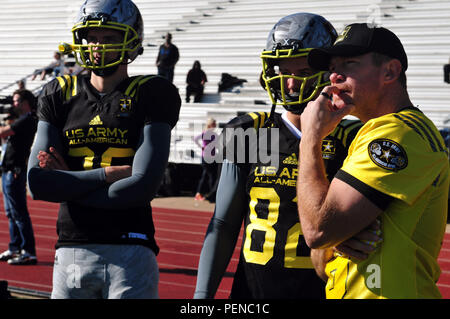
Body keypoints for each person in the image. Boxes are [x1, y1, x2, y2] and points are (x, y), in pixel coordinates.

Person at [194, 13, 366, 299]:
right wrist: (202, 297)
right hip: (252, 293)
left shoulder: (354, 138)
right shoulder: (250, 130)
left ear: (327, 73)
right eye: (283, 71)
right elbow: (223, 224)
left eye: (301, 73)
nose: (290, 83)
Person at [27, 0, 181, 299]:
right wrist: (106, 175)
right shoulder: (60, 92)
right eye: (92, 38)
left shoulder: (151, 92)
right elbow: (38, 184)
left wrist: (69, 182)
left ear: (131, 41)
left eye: (109, 38)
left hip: (131, 247)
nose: (97, 46)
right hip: (71, 247)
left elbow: (142, 187)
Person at [297, 23, 450, 298]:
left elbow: (317, 231)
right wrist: (336, 239)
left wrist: (310, 137)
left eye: (349, 64)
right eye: (333, 67)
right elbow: (321, 263)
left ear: (390, 71)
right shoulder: (371, 133)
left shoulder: (401, 133)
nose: (334, 76)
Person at [0, 89, 38, 265]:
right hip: (9, 170)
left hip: (15, 171)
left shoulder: (27, 119)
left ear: (24, 102)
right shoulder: (24, 119)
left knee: (19, 213)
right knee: (11, 213)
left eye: (16, 101)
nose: (13, 104)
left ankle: (28, 251)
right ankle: (15, 247)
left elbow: (3, 133)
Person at [194, 118, 217, 201]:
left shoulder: (212, 133)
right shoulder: (207, 133)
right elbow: (195, 138)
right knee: (212, 176)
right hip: (207, 157)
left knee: (206, 176)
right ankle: (211, 195)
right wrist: (202, 147)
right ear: (210, 124)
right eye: (214, 123)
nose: (215, 125)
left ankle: (199, 193)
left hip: (211, 157)